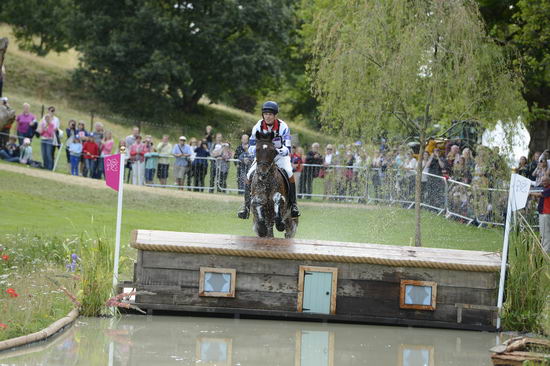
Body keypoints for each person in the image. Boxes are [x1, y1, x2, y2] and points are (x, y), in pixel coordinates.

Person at [237, 101, 300, 219]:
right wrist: (257, 150)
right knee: (249, 174)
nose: (267, 116)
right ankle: (246, 208)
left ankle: (293, 205)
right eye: (265, 114)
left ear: (275, 115)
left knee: (290, 173)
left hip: (279, 156)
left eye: (270, 114)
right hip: (263, 157)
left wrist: (278, 150)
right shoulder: (258, 126)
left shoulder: (283, 127)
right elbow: (250, 145)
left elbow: (288, 148)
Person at [532, 176, 550, 253]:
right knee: (544, 232)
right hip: (543, 213)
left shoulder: (548, 189)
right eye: (542, 181)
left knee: (545, 233)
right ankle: (545, 249)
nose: (543, 182)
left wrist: (529, 193)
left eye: (545, 181)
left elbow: (541, 195)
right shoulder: (546, 188)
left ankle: (545, 250)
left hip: (546, 213)